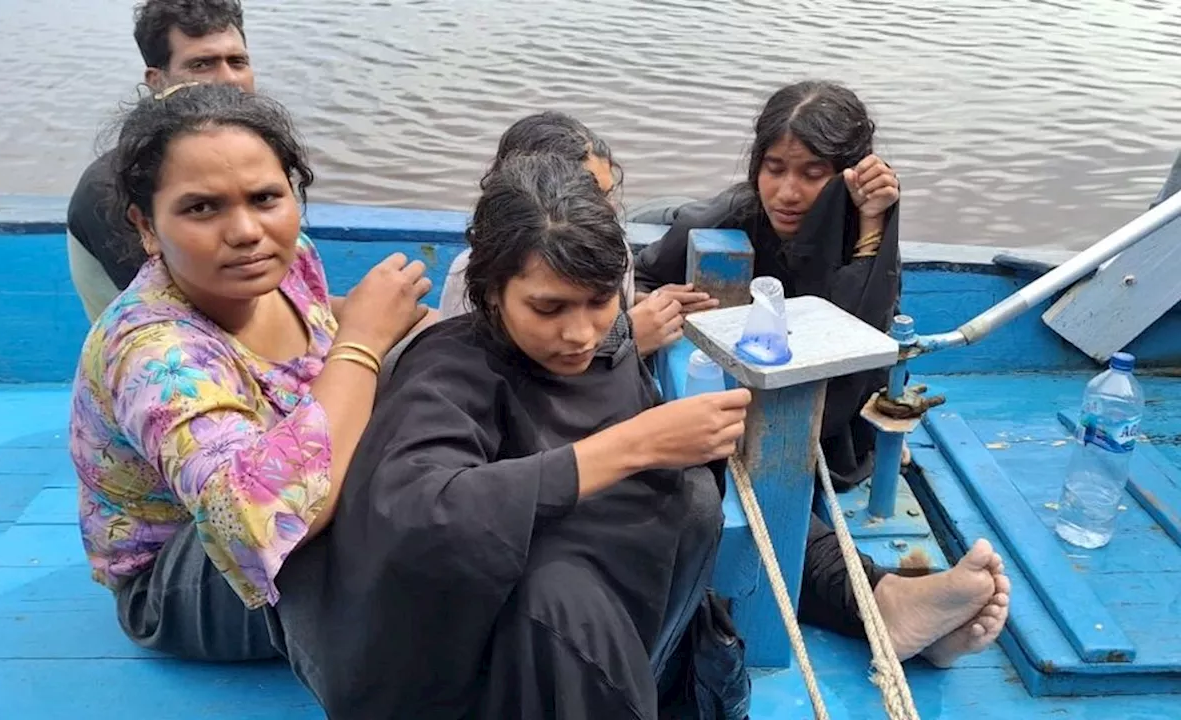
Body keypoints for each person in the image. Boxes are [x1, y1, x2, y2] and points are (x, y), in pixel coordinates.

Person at [270, 153, 1011, 719]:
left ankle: (880, 601)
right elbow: (413, 514)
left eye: (599, 301)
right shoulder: (450, 371)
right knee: (561, 598)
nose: (581, 332)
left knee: (725, 499)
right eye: (549, 307)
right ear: (491, 290)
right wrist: (637, 445)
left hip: (631, 622)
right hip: (496, 659)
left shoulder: (607, 347)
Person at [68, 82, 432, 662]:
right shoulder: (157, 354)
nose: (245, 231)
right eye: (201, 207)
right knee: (417, 523)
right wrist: (363, 341)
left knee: (447, 376)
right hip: (192, 574)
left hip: (292, 474)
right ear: (144, 225)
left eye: (265, 198)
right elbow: (257, 525)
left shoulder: (281, 261)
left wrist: (424, 329)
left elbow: (318, 318)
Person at [635, 80, 905, 491]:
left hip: (831, 424)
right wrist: (654, 307)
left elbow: (861, 344)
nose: (787, 194)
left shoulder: (861, 235)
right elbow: (643, 276)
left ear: (846, 177)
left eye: (813, 174)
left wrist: (872, 224)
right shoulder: (728, 218)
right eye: (774, 169)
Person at [439, 111, 719, 357]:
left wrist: (645, 302)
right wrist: (628, 338)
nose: (607, 209)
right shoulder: (474, 272)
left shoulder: (613, 244)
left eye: (608, 194)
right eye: (589, 193)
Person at [67, 0, 257, 321]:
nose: (229, 80)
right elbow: (196, 317)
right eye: (202, 64)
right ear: (157, 81)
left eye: (237, 61)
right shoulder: (117, 187)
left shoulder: (246, 162)